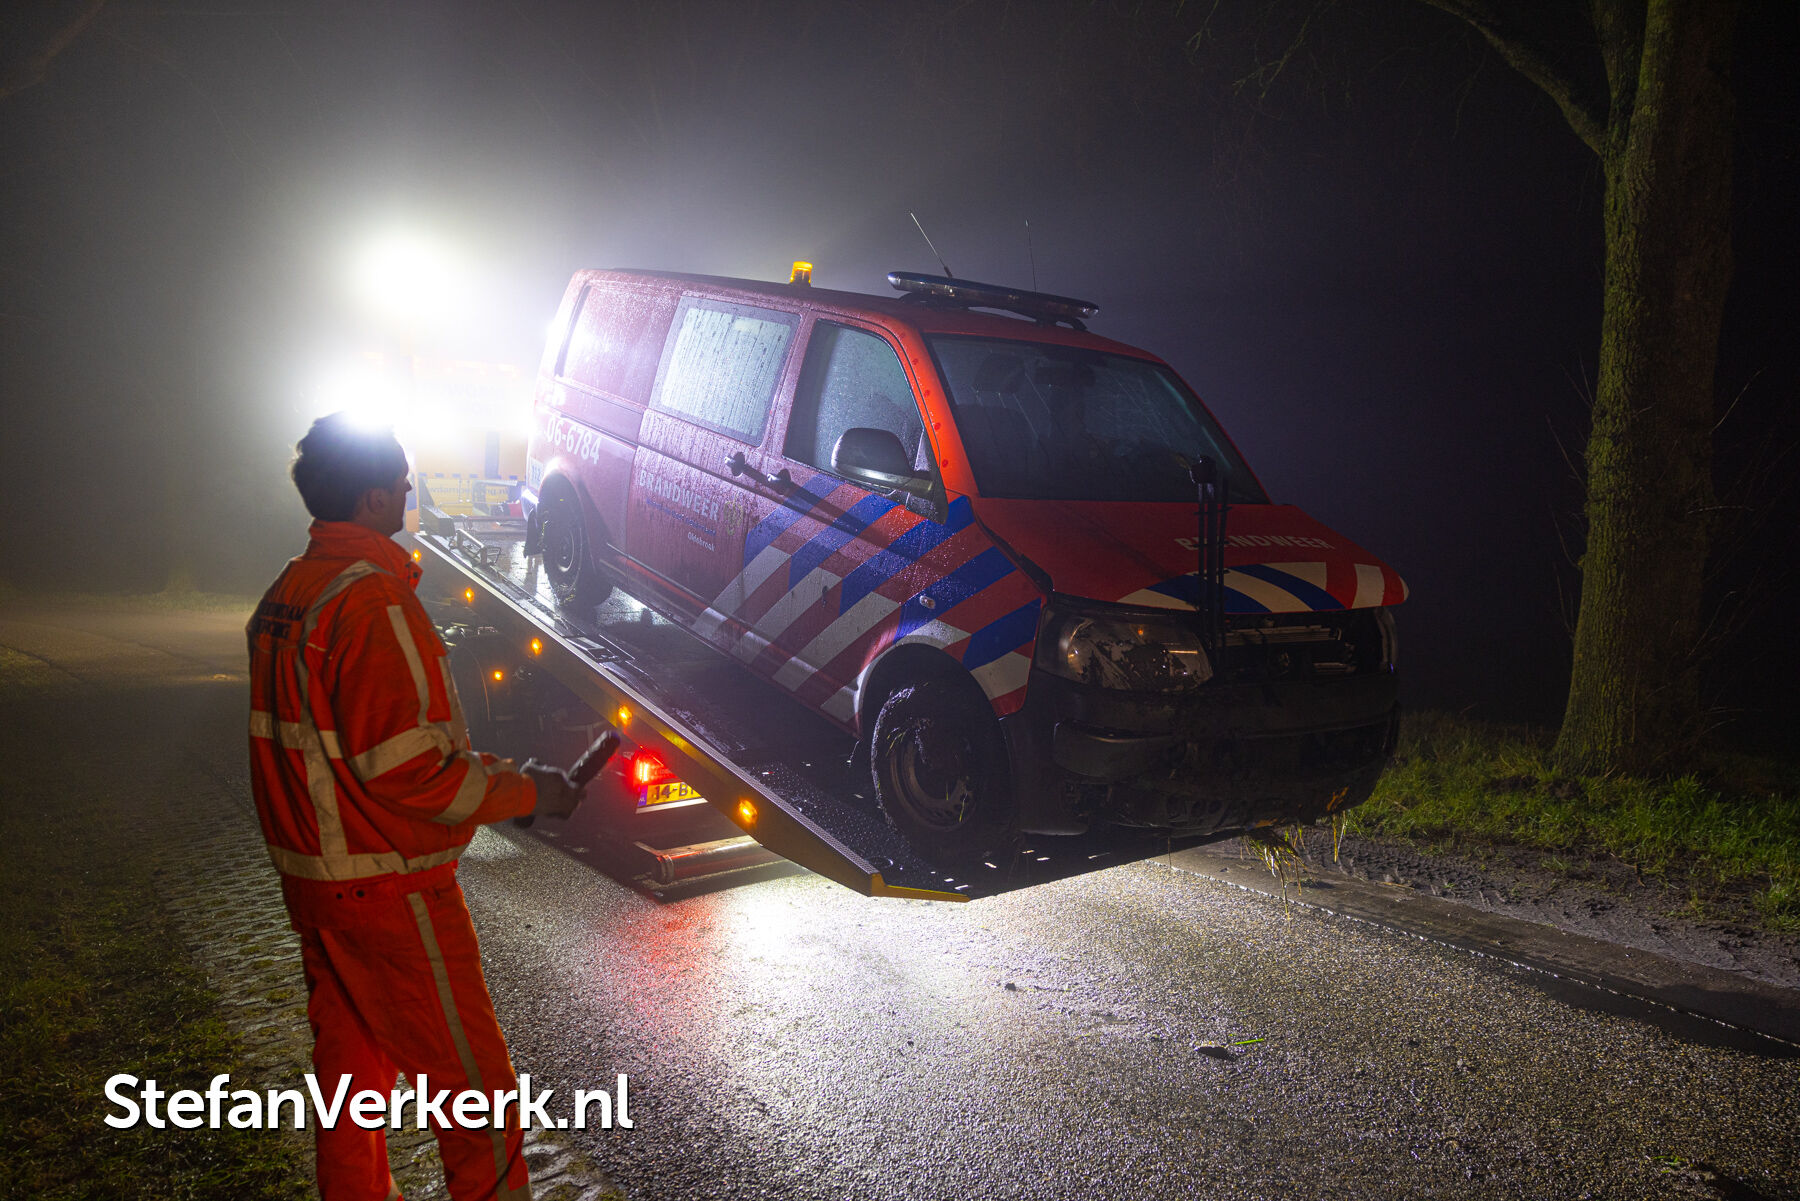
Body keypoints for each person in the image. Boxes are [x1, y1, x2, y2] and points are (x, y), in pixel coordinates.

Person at [247, 412, 583, 1201]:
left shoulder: (290, 593)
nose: (409, 488)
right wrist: (528, 789)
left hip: (321, 885)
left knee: (350, 1091)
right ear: (371, 499)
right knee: (477, 1099)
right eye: (400, 479)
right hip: (391, 889)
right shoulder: (371, 601)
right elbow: (409, 768)